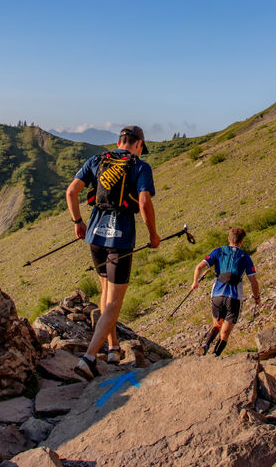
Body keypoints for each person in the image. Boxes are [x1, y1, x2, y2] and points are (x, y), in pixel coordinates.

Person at [66, 125, 160, 380]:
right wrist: (153, 234)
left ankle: (114, 348)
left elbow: (71, 192)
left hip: (94, 235)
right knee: (115, 302)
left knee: (105, 292)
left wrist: (78, 222)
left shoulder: (97, 160)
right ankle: (88, 359)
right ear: (139, 144)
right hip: (120, 238)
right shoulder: (140, 167)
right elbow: (143, 202)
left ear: (119, 141)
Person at [190, 226, 259, 356]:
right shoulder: (245, 257)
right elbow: (253, 282)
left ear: (229, 239)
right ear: (241, 241)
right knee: (225, 332)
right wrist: (257, 297)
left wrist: (195, 282)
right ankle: (215, 355)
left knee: (216, 325)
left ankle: (205, 346)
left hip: (217, 295)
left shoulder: (219, 251)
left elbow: (199, 267)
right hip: (234, 297)